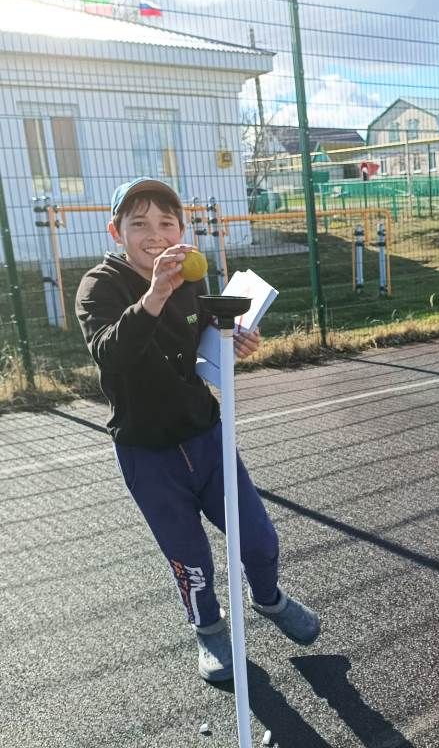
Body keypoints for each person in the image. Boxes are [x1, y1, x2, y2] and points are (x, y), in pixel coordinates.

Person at [75, 177, 320, 682]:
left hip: (206, 437)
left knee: (258, 537)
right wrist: (154, 294)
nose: (154, 234)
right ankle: (208, 629)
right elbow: (110, 354)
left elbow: (203, 340)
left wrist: (235, 341)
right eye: (138, 223)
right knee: (190, 560)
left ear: (182, 230)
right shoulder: (99, 285)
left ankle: (269, 599)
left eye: (167, 223)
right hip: (148, 453)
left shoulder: (188, 279)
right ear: (115, 231)